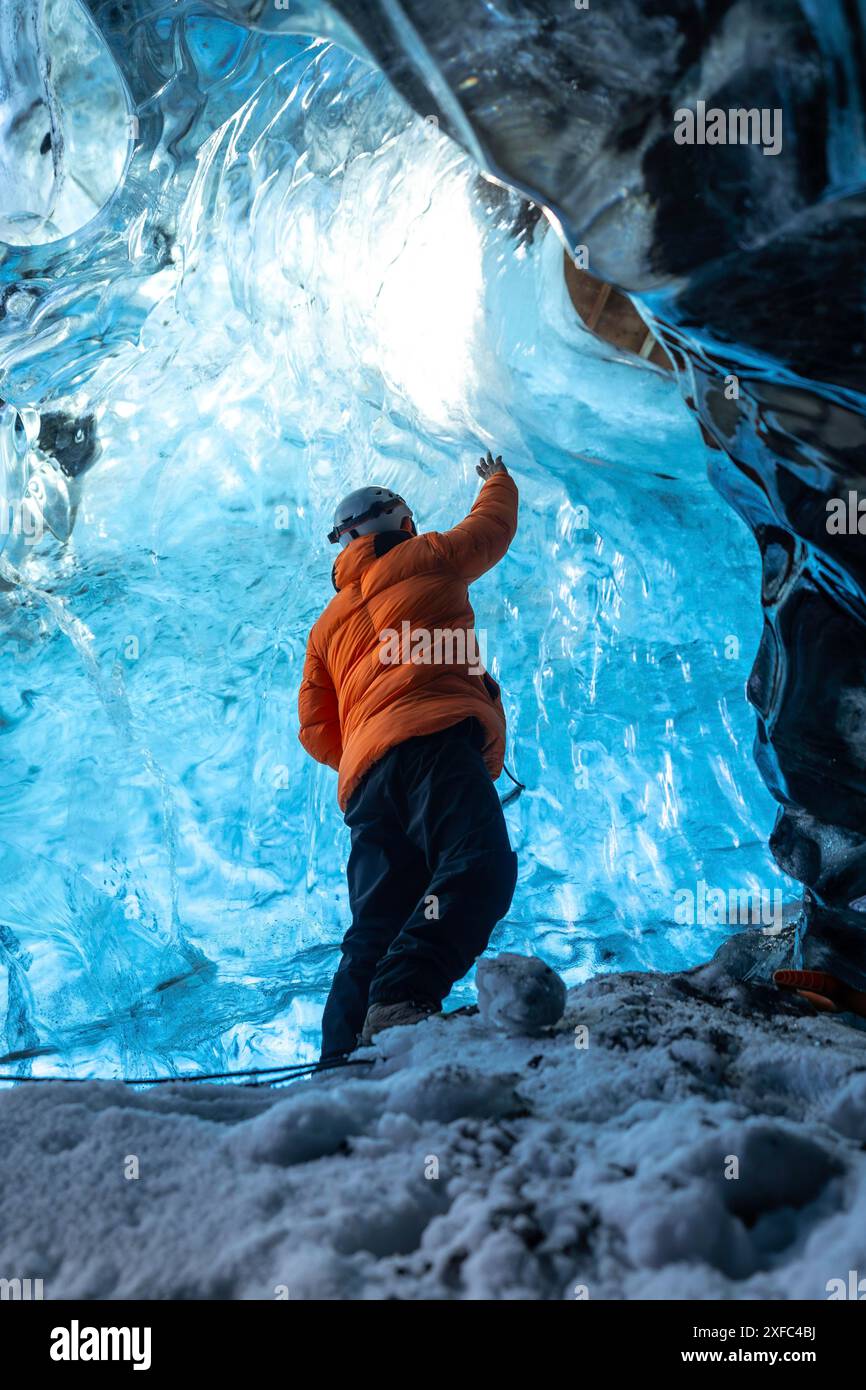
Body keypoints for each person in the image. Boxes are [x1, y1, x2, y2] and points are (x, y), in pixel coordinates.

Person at [298, 451, 519, 1060]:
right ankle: (401, 998)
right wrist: (495, 479)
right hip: (435, 746)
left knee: (375, 925)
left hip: (367, 785)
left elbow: (316, 729)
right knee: (479, 867)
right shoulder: (428, 557)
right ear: (396, 523)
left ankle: (339, 1060)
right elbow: (492, 528)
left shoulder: (325, 627)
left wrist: (371, 741)